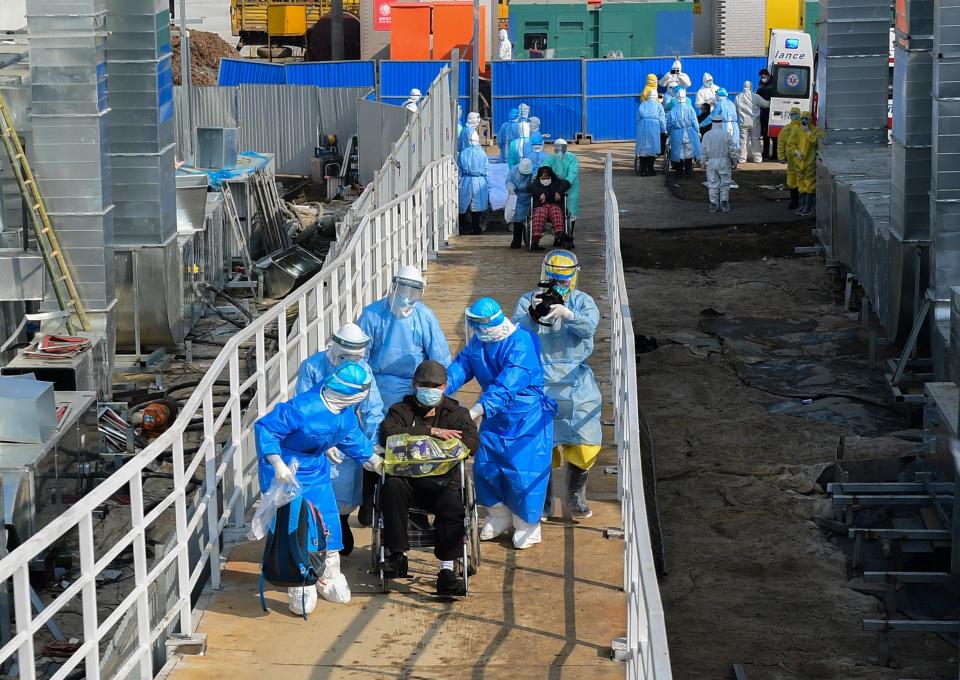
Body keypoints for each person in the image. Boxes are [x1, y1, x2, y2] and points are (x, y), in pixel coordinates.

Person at [255, 361, 384, 608]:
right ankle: (299, 585)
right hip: (287, 471)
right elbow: (266, 428)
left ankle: (329, 576)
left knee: (329, 522)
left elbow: (351, 436)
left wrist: (371, 457)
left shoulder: (345, 413)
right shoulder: (302, 408)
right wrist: (277, 462)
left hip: (316, 470)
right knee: (296, 528)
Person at [445, 298, 557, 550]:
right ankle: (499, 514)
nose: (475, 331)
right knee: (487, 466)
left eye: (478, 325)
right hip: (495, 417)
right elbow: (462, 367)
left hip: (526, 418)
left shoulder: (522, 343)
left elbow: (509, 383)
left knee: (523, 472)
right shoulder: (479, 342)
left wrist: (477, 409)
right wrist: (439, 388)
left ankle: (528, 525)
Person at [357, 265, 452, 524]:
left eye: (414, 291)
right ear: (393, 287)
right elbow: (359, 358)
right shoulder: (373, 315)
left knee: (411, 444)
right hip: (376, 389)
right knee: (375, 443)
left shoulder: (424, 317)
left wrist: (435, 393)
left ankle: (410, 505)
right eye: (403, 289)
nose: (408, 296)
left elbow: (439, 360)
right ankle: (368, 503)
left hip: (414, 390)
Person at [512, 250, 601, 520]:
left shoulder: (583, 302)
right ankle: (544, 500)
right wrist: (532, 315)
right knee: (541, 444)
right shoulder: (528, 300)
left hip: (575, 379)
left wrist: (569, 314)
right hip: (538, 380)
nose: (556, 286)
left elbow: (589, 329)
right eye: (551, 279)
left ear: (573, 279)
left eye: (562, 280)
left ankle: (575, 497)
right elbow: (515, 335)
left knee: (586, 441)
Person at [379, 360, 479, 596]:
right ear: (414, 385)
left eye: (436, 385)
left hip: (442, 483)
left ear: (444, 387)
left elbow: (471, 443)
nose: (430, 389)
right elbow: (388, 436)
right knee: (390, 487)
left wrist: (425, 445)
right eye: (424, 384)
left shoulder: (457, 413)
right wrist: (429, 433)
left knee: (453, 503)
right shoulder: (400, 411)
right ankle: (397, 555)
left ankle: (446, 570)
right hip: (407, 483)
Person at [295, 323, 384, 556]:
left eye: (357, 357)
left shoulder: (362, 370)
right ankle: (319, 530)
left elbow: (372, 408)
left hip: (346, 433)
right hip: (314, 438)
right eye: (347, 356)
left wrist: (373, 444)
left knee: (346, 483)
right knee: (317, 488)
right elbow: (302, 410)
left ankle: (342, 520)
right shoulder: (313, 367)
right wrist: (320, 442)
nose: (351, 361)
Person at [702, 108, 738, 213]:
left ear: (712, 123)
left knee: (712, 183)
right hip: (724, 161)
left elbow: (703, 150)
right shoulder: (726, 134)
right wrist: (734, 161)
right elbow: (732, 149)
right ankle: (724, 203)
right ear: (721, 123)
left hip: (711, 162)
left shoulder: (706, 135)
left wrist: (703, 162)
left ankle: (713, 204)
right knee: (725, 183)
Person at [529, 165, 570, 250]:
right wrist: (540, 193)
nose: (545, 180)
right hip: (541, 206)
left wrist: (559, 192)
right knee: (540, 212)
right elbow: (529, 187)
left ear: (551, 177)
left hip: (554, 206)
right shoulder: (536, 184)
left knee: (555, 210)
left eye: (547, 178)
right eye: (543, 178)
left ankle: (560, 233)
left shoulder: (556, 182)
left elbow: (567, 183)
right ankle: (535, 241)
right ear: (539, 177)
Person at [458, 130, 490, 234]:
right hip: (479, 180)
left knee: (462, 204)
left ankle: (461, 226)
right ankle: (475, 227)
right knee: (477, 205)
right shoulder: (482, 153)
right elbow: (486, 169)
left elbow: (459, 170)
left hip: (466, 179)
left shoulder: (463, 153)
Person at [544, 139, 579, 231]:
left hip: (570, 188)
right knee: (557, 211)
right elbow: (544, 171)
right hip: (554, 187)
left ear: (566, 148)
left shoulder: (572, 158)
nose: (560, 150)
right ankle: (558, 235)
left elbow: (572, 174)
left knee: (571, 211)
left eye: (562, 147)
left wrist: (562, 187)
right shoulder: (550, 159)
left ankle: (569, 234)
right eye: (557, 148)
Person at [666, 88, 701, 178]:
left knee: (679, 153)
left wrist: (669, 133)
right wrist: (697, 131)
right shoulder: (690, 108)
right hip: (690, 133)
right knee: (689, 153)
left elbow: (669, 123)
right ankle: (689, 172)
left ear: (677, 98)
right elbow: (694, 121)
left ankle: (679, 172)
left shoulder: (673, 109)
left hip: (677, 134)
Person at [736, 80, 768, 164]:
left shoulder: (738, 97)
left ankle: (742, 159)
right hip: (755, 122)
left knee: (743, 141)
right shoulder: (756, 97)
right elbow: (765, 104)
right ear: (751, 87)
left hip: (743, 122)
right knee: (755, 140)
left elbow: (735, 108)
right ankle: (757, 158)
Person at [795, 111, 821, 217]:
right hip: (799, 163)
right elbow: (791, 143)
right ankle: (802, 205)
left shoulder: (815, 130)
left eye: (806, 118)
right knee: (801, 185)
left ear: (810, 119)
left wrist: (809, 132)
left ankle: (809, 207)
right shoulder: (798, 131)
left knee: (809, 185)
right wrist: (795, 151)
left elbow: (815, 143)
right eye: (802, 119)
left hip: (810, 162)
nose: (804, 121)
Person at [636, 89, 667, 176]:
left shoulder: (643, 104)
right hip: (654, 126)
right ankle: (650, 170)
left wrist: (640, 126)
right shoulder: (658, 105)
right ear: (656, 96)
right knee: (652, 149)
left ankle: (642, 170)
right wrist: (663, 130)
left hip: (643, 126)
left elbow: (638, 118)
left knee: (643, 148)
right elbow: (662, 120)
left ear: (648, 96)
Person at [777, 107, 803, 210]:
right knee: (798, 177)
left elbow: (781, 143)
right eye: (794, 114)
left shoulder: (787, 128)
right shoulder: (802, 128)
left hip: (796, 158)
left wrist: (781, 157)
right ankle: (798, 200)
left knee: (794, 178)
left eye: (795, 114)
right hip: (800, 158)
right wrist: (781, 156)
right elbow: (781, 143)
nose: (795, 116)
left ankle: (795, 201)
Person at [507, 158, 535, 249]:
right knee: (517, 219)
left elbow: (535, 181)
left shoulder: (535, 169)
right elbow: (509, 180)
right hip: (517, 196)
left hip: (530, 196)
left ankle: (528, 240)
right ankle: (516, 241)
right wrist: (511, 189)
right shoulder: (514, 170)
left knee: (529, 220)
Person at [709, 88, 739, 152]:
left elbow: (712, 116)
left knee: (724, 143)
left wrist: (701, 124)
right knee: (733, 142)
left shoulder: (719, 104)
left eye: (716, 94)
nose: (715, 96)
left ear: (719, 94)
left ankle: (726, 159)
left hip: (725, 125)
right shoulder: (731, 103)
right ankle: (734, 159)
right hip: (734, 125)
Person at [756, 68, 775, 159]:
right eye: (761, 77)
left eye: (764, 76)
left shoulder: (774, 82)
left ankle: (775, 153)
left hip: (773, 110)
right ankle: (765, 153)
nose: (763, 78)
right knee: (765, 133)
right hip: (764, 111)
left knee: (774, 135)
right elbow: (758, 94)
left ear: (767, 75)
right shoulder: (761, 83)